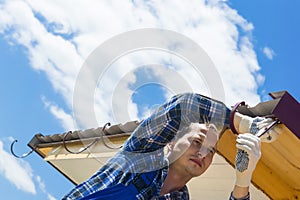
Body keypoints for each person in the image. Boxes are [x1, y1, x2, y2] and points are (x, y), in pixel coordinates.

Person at [63, 93, 278, 200]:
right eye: (197, 142)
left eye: (211, 150)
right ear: (172, 143)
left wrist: (243, 181)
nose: (203, 153)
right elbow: (184, 106)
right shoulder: (139, 157)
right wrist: (242, 122)